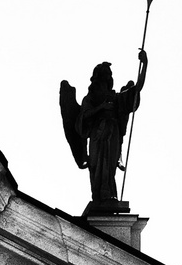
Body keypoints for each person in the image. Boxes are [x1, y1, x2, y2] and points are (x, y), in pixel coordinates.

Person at [58, 49, 148, 214]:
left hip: (112, 135)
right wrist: (101, 107)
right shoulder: (90, 99)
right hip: (96, 137)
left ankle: (109, 196)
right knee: (97, 167)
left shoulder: (117, 97)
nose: (104, 79)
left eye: (106, 75)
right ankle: (99, 198)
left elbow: (137, 89)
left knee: (109, 168)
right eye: (101, 75)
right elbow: (81, 119)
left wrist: (145, 63)